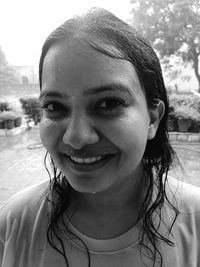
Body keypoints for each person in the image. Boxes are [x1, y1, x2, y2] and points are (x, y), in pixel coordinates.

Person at [0, 7, 200, 267]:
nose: (76, 138)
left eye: (108, 103)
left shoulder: (194, 221)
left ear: (152, 118)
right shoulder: (15, 224)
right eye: (54, 106)